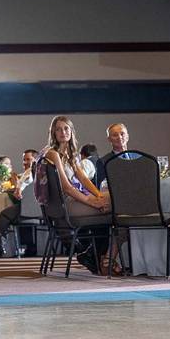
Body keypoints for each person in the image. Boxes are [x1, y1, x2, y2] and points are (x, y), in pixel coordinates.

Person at [39, 116, 111, 273]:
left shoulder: (70, 154)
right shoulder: (53, 154)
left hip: (71, 200)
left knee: (110, 201)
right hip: (64, 205)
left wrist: (98, 195)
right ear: (53, 133)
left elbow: (83, 178)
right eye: (58, 129)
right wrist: (92, 202)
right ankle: (98, 255)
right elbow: (67, 188)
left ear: (71, 131)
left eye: (66, 128)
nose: (63, 132)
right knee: (113, 207)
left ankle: (93, 253)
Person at [0, 150, 39, 258]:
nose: (25, 162)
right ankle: (29, 246)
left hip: (31, 208)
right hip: (35, 209)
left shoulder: (30, 173)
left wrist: (16, 186)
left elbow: (23, 190)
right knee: (16, 213)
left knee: (5, 214)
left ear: (35, 160)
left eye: (28, 159)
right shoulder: (32, 173)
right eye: (24, 159)